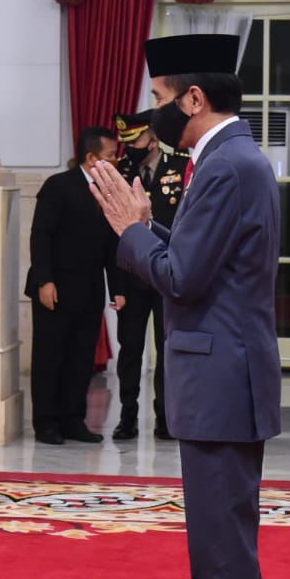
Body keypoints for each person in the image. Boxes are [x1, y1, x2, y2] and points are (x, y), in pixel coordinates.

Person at [90, 32, 280, 579]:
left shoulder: (226, 164)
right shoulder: (228, 159)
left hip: (219, 384)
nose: (155, 112)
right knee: (221, 560)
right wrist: (151, 229)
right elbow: (202, 259)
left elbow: (183, 277)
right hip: (223, 377)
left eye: (163, 99)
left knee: (222, 565)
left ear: (194, 99)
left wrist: (131, 231)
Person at [25, 126, 126, 446]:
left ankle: (73, 420)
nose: (115, 160)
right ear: (91, 157)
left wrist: (118, 287)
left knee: (81, 359)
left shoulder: (107, 191)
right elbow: (41, 235)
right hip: (55, 289)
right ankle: (46, 423)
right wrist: (45, 280)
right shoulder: (59, 186)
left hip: (90, 289)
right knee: (50, 357)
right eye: (110, 155)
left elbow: (112, 245)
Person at [112, 110, 189, 442]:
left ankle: (165, 418)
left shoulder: (181, 167)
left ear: (153, 138)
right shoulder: (121, 172)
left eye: (137, 140)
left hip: (166, 270)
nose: (131, 148)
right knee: (130, 350)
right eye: (126, 143)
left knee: (167, 348)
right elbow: (111, 233)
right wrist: (115, 285)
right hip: (131, 275)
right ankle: (127, 417)